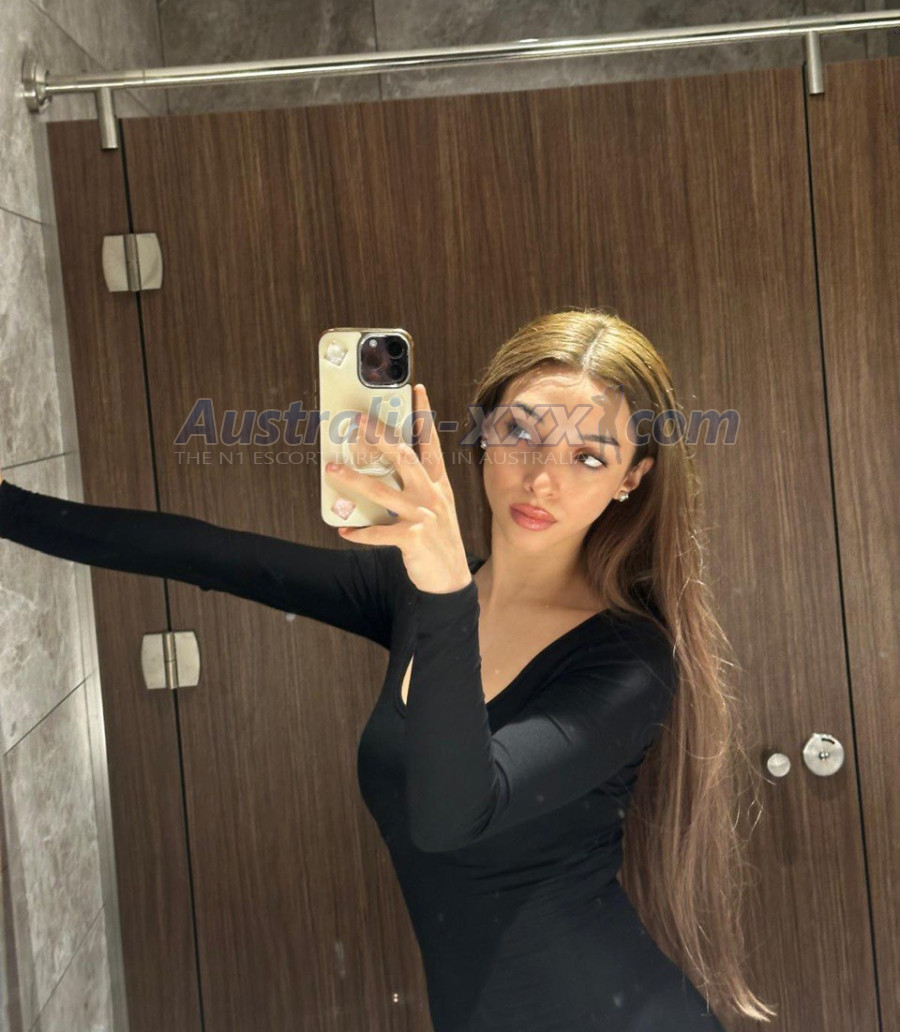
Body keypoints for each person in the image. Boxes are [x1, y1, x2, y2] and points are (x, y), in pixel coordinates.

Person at [0, 308, 775, 1030]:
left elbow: (451, 816)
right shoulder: (416, 596)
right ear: (481, 430)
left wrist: (445, 592)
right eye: (521, 431)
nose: (542, 478)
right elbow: (207, 553)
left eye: (588, 456)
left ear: (631, 477)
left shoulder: (628, 660)